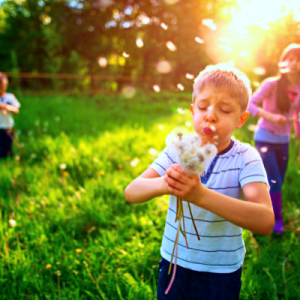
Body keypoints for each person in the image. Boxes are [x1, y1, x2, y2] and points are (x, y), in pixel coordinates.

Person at [125, 63, 274, 300]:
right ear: (193, 110)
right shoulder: (178, 150)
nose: (211, 115)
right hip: (173, 265)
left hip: (219, 274)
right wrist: (166, 184)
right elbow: (132, 192)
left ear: (241, 119)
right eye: (203, 106)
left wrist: (200, 196)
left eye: (225, 110)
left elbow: (265, 221)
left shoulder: (246, 158)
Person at [248, 44, 300, 234]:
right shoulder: (271, 84)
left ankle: (260, 210)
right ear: (284, 62)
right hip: (265, 139)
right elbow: (249, 104)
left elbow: (298, 118)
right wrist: (270, 117)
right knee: (275, 180)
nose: (294, 63)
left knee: (278, 181)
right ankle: (275, 220)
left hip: (283, 142)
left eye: (298, 59)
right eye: (290, 59)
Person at [0, 72, 20, 159]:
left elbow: (16, 110)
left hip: (8, 126)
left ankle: (9, 165)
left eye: (4, 86)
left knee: (9, 149)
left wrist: (6, 106)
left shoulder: (10, 97)